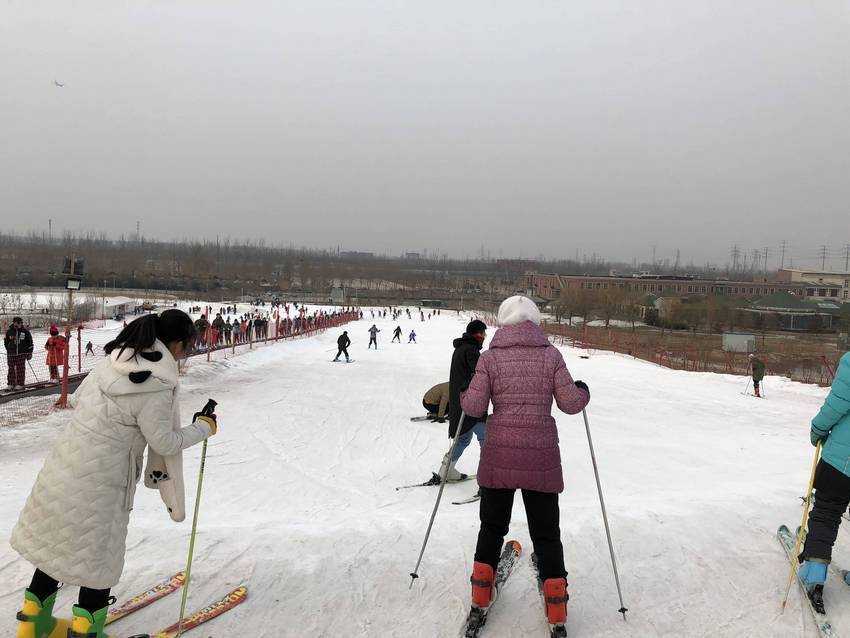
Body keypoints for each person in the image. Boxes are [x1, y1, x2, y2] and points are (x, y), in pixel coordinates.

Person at [11, 310, 217, 638]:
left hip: (65, 464)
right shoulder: (156, 383)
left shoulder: (115, 360)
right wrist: (203, 428)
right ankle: (87, 632)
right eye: (188, 346)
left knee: (56, 546)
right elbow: (164, 442)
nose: (187, 353)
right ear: (176, 344)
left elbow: (78, 398)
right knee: (97, 559)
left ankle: (33, 625)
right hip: (103, 481)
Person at [460, 296, 590, 634]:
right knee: (546, 534)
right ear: (534, 321)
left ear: (504, 321)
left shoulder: (490, 358)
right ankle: (557, 609)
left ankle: (480, 595)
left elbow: (473, 407)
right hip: (539, 457)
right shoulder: (551, 355)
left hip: (499, 455)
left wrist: (464, 392)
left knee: (491, 528)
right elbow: (571, 403)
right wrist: (583, 391)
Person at [798, 350, 850, 612]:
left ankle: (815, 575)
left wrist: (817, 430)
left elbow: (837, 405)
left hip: (842, 461)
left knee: (827, 513)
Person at [439, 319, 488, 482]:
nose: (484, 336)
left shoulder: (461, 348)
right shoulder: (471, 350)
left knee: (463, 438)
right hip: (471, 402)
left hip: (459, 402)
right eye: (483, 333)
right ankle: (488, 476)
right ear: (476, 334)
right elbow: (479, 375)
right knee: (486, 438)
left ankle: (445, 471)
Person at [5, 316, 33, 390]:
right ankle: (11, 383)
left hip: (21, 354)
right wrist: (9, 349)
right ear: (14, 323)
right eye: (18, 322)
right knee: (11, 369)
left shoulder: (25, 332)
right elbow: (6, 342)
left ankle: (20, 384)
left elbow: (30, 342)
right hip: (11, 354)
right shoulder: (9, 331)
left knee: (20, 369)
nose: (20, 324)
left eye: (21, 323)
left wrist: (29, 352)